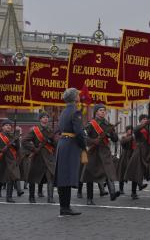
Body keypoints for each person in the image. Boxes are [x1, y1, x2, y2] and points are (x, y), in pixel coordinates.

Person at [54, 88, 86, 216]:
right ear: (74, 98)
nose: (79, 96)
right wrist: (83, 146)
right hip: (71, 145)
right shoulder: (75, 111)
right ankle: (65, 207)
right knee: (67, 176)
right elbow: (78, 132)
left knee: (63, 176)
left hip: (63, 144)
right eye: (78, 94)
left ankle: (64, 207)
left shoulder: (63, 112)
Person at [81, 104, 120, 205]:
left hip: (105, 150)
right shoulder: (91, 124)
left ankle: (112, 193)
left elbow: (115, 139)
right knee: (90, 174)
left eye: (104, 110)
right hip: (93, 152)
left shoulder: (108, 124)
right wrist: (93, 141)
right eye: (101, 110)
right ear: (96, 112)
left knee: (109, 170)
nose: (103, 112)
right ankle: (89, 198)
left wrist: (111, 134)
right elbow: (83, 137)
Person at [22, 111, 57, 203]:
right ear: (40, 119)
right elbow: (24, 141)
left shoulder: (50, 130)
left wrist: (52, 142)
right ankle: (31, 197)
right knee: (33, 178)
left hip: (49, 157)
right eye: (43, 117)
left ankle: (50, 198)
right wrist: (34, 149)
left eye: (47, 117)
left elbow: (55, 144)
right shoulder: (35, 130)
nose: (46, 118)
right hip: (38, 157)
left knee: (51, 177)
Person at [125, 114, 150, 199]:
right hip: (139, 153)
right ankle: (133, 193)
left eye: (146, 119)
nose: (145, 120)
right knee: (136, 173)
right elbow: (135, 130)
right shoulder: (138, 130)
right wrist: (144, 124)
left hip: (149, 154)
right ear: (140, 121)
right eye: (143, 119)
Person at [0, 120, 21, 202]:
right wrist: (1, 150)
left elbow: (17, 149)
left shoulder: (13, 137)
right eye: (6, 125)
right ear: (2, 127)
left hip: (10, 160)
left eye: (10, 125)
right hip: (0, 160)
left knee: (11, 177)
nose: (8, 126)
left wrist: (16, 142)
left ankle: (9, 197)